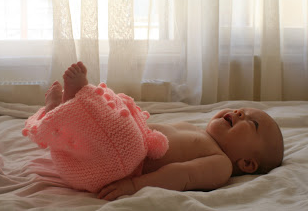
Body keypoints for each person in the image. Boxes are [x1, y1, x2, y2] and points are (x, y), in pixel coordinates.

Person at [44, 62, 284, 201]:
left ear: (248, 164)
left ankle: (74, 101)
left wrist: (135, 187)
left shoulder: (221, 165)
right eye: (241, 109)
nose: (240, 113)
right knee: (118, 109)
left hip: (126, 163)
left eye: (252, 123)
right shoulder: (199, 133)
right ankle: (66, 110)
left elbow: (179, 175)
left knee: (114, 125)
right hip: (119, 150)